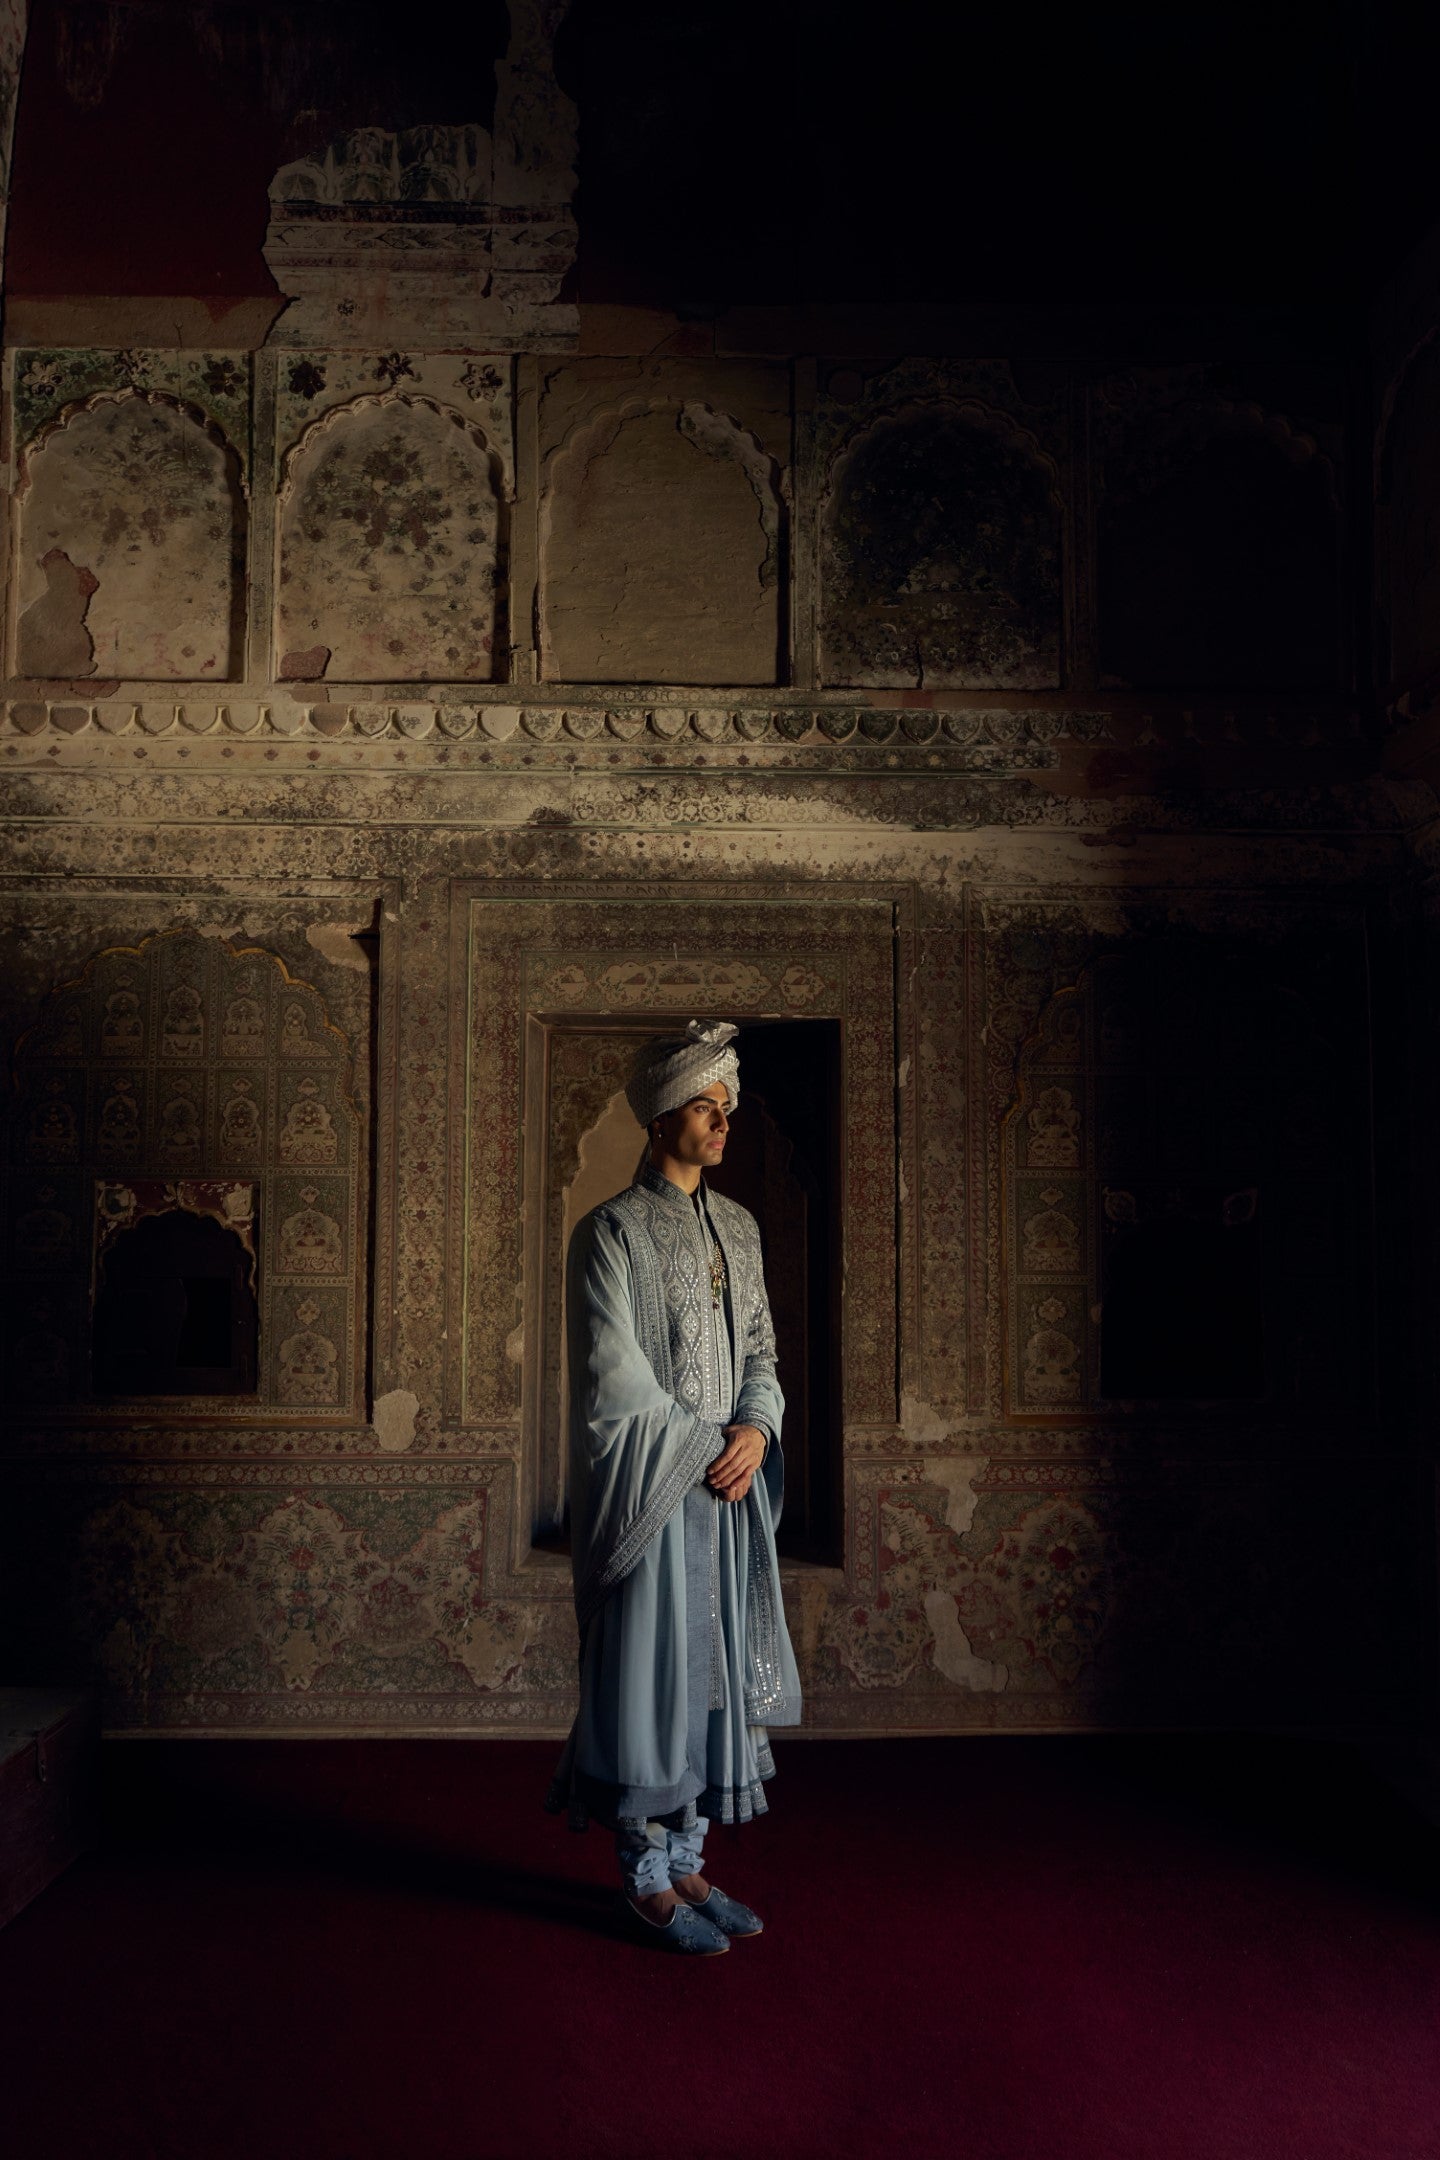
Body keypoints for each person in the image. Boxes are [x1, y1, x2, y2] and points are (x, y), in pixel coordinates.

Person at [546, 1019, 803, 1956]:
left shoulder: (738, 1227)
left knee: (715, 1673)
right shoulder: (609, 1233)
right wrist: (706, 1447)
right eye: (705, 1106)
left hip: (728, 1495)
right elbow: (616, 1383)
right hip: (654, 1494)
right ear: (661, 1120)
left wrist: (756, 1428)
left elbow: (763, 1353)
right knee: (650, 1682)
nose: (722, 1120)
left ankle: (689, 1856)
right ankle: (644, 1875)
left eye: (726, 1106)